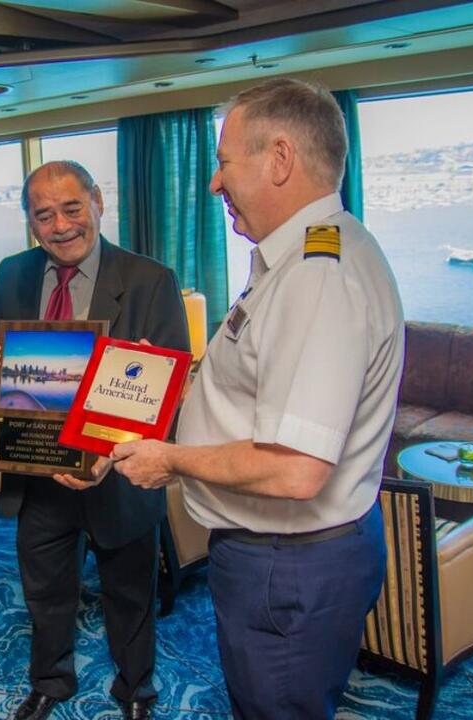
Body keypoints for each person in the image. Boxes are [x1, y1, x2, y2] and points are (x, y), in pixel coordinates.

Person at [109, 78, 404, 719]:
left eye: (222, 161)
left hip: (286, 566)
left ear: (278, 159)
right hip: (288, 557)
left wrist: (171, 460)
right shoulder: (315, 251)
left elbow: (296, 468)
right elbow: (249, 383)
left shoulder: (316, 278)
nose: (214, 184)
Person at [0, 161, 189, 720]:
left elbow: (166, 399)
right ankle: (50, 681)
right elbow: (6, 384)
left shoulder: (150, 280)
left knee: (130, 595)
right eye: (44, 215)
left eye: (72, 208)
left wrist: (105, 454)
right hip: (39, 475)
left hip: (118, 479)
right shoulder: (11, 275)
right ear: (30, 223)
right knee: (44, 592)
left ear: (98, 201)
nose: (61, 225)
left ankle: (136, 689)